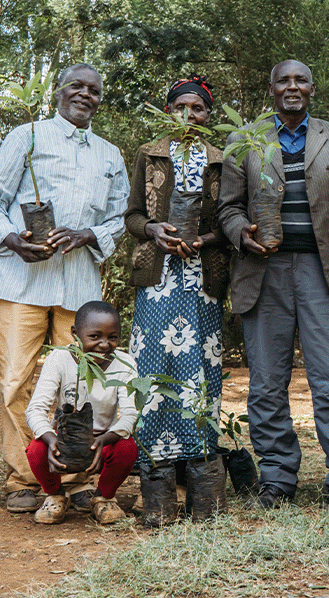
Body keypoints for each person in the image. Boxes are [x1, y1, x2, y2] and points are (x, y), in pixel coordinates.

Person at [217, 59, 329, 517]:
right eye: (284, 80)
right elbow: (227, 208)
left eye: (300, 79)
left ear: (312, 88)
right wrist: (241, 230)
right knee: (266, 382)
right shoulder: (243, 139)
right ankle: (278, 476)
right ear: (271, 89)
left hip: (325, 272)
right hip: (264, 272)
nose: (292, 86)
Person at [0, 63, 129, 514]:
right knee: (16, 380)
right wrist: (12, 240)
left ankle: (79, 478)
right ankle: (24, 479)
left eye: (94, 90)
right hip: (21, 279)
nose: (85, 94)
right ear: (58, 92)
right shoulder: (25, 137)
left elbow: (119, 217)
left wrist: (87, 234)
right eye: (76, 86)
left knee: (84, 385)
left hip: (79, 285)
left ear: (100, 99)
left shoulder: (110, 154)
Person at [125, 76, 229, 471]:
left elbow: (231, 219)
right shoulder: (149, 155)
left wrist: (204, 239)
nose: (189, 114)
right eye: (180, 106)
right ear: (167, 111)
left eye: (197, 108)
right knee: (152, 359)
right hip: (158, 276)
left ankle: (196, 453)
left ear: (208, 114)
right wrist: (153, 230)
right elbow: (132, 215)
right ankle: (148, 455)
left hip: (204, 278)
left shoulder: (222, 159)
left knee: (200, 362)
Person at [25, 301, 138, 525]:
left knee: (127, 448)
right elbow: (35, 409)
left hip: (104, 441)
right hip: (65, 442)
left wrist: (104, 440)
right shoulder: (59, 358)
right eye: (95, 336)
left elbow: (129, 415)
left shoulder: (125, 364)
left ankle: (103, 498)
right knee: (36, 450)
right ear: (75, 334)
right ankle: (56, 495)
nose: (104, 344)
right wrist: (51, 439)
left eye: (113, 337)